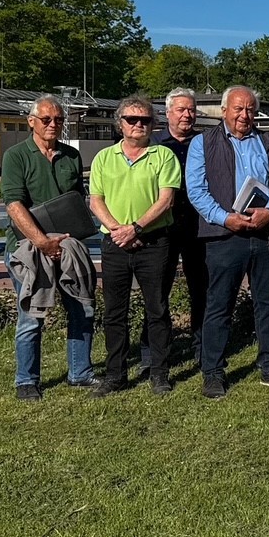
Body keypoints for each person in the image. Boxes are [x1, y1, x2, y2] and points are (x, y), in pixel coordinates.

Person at [186, 85, 269, 399]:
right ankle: (213, 373)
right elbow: (196, 190)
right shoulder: (202, 143)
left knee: (268, 304)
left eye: (250, 109)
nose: (244, 115)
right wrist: (225, 218)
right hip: (224, 236)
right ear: (224, 111)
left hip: (264, 234)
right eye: (238, 109)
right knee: (218, 306)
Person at [0, 94, 96, 401]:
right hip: (29, 249)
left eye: (59, 120)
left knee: (81, 308)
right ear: (31, 122)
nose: (53, 124)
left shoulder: (71, 156)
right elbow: (14, 205)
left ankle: (80, 373)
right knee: (31, 315)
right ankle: (26, 380)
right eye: (46, 119)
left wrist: (71, 237)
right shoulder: (16, 156)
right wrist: (42, 242)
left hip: (67, 247)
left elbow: (76, 199)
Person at [88, 95, 180, 396]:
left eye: (145, 120)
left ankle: (158, 372)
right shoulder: (103, 158)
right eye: (132, 119)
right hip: (115, 243)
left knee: (157, 309)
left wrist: (136, 227)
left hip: (154, 241)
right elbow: (96, 199)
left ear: (153, 124)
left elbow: (166, 200)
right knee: (115, 311)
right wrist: (119, 231)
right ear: (120, 123)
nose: (139, 125)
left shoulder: (164, 156)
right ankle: (116, 374)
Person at [140, 88, 207, 367]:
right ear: (167, 113)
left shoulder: (205, 142)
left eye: (191, 109)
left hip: (198, 227)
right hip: (161, 227)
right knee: (157, 292)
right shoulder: (152, 142)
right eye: (180, 109)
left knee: (201, 290)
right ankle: (152, 350)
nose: (187, 115)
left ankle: (203, 347)